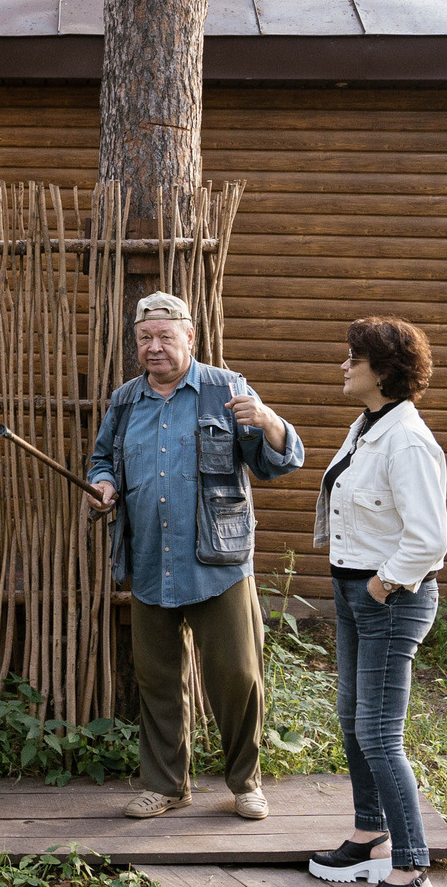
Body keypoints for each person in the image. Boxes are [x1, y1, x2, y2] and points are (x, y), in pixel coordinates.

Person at [85, 291, 304, 820]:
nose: (154, 347)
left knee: (237, 674)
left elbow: (279, 462)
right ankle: (166, 785)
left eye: (165, 336)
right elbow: (100, 459)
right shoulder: (124, 401)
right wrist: (104, 482)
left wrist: (270, 420)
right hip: (150, 560)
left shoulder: (226, 390)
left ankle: (246, 781)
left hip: (217, 562)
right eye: (145, 338)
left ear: (190, 338)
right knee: (158, 679)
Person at [305, 316, 447, 887]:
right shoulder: (366, 429)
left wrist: (380, 585)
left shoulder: (408, 441)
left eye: (354, 359)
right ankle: (372, 837)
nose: (343, 366)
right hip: (355, 591)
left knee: (379, 733)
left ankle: (412, 876)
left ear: (384, 371)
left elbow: (429, 539)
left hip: (389, 597)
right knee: (351, 718)